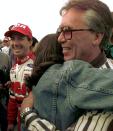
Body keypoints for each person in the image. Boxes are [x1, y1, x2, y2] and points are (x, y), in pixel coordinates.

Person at [21, 0, 113, 130]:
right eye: (60, 31)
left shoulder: (103, 95)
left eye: (68, 30)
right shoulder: (57, 71)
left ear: (96, 37)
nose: (60, 39)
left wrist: (28, 115)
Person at [4, 23, 35, 131]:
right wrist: (10, 122)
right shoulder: (13, 69)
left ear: (30, 42)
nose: (15, 43)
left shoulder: (38, 65)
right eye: (12, 39)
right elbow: (12, 99)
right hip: (19, 123)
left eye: (20, 38)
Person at [0, 52, 10, 131]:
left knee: (4, 120)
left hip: (2, 97)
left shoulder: (5, 57)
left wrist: (8, 82)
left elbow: (7, 77)